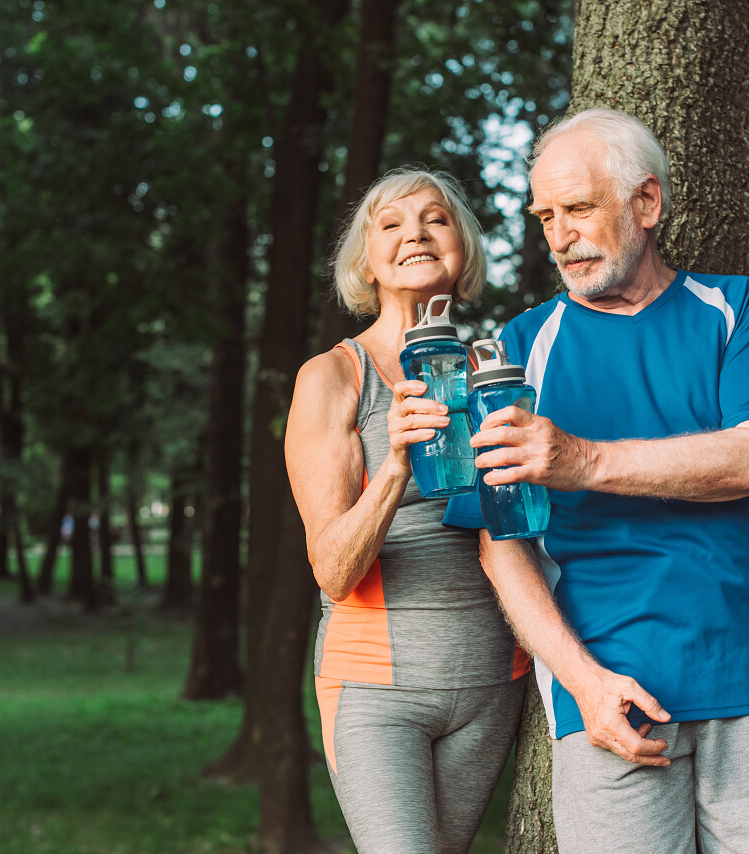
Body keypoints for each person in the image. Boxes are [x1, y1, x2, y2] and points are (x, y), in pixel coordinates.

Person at [444, 109, 749, 853]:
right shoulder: (517, 350)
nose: (559, 236)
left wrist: (582, 461)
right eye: (545, 216)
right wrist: (580, 682)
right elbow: (499, 543)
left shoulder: (733, 308)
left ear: (646, 205)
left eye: (579, 209)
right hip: (610, 691)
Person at [283, 168, 529, 854]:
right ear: (367, 262)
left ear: (464, 250)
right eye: (390, 224)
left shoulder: (498, 362)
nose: (415, 233)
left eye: (436, 220)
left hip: (493, 681)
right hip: (375, 692)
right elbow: (332, 569)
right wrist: (394, 464)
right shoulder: (334, 376)